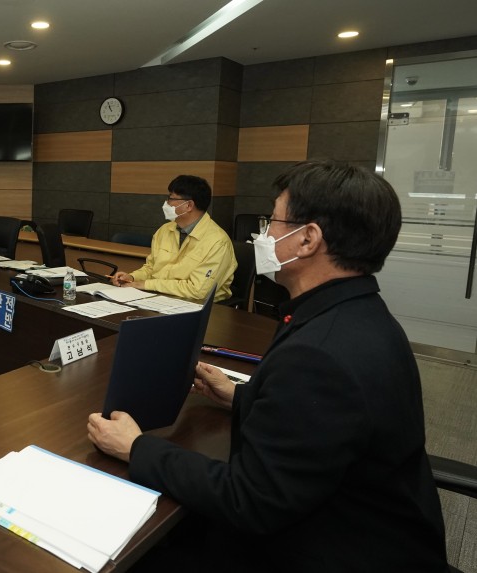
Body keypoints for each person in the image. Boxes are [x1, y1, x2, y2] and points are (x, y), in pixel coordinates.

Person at [88, 161, 448, 572]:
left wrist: (137, 448)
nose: (263, 235)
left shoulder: (319, 355)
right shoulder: (356, 314)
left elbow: (250, 501)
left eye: (272, 221)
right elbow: (321, 423)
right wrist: (240, 395)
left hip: (329, 548)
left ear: (308, 239)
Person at [111, 175, 235, 302]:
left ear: (189, 205)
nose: (166, 203)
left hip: (199, 307)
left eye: (170, 198)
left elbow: (198, 290)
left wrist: (145, 284)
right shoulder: (164, 230)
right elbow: (152, 268)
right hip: (159, 299)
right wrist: (132, 278)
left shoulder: (218, 242)